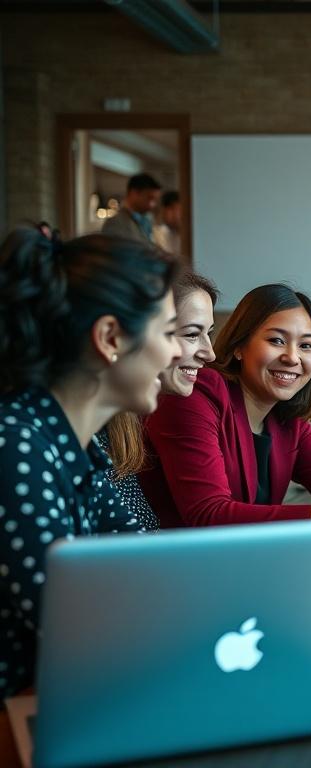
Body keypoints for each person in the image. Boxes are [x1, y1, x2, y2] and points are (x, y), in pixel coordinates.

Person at [0, 229, 180, 699]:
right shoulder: (17, 446)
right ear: (110, 337)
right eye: (167, 332)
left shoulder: (76, 445)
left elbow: (142, 559)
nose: (177, 351)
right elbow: (68, 623)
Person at [141, 283, 311, 527]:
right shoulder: (196, 392)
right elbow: (208, 513)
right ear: (239, 346)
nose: (292, 357)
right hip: (171, 560)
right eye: (277, 341)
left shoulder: (286, 418)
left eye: (306, 345)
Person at [98, 269, 219, 527]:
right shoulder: (75, 436)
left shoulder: (122, 426)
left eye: (209, 332)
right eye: (190, 334)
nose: (210, 354)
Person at [101, 173, 162, 243]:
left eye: (155, 200)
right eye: (149, 198)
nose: (152, 205)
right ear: (134, 193)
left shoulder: (146, 221)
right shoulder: (116, 223)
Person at [153, 189, 182, 256]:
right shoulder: (157, 234)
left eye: (173, 208)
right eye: (164, 211)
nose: (169, 215)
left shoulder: (192, 235)